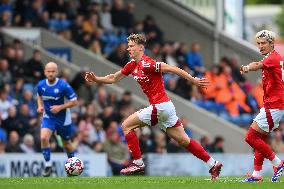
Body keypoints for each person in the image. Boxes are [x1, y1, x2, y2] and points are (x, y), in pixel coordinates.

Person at [84, 33, 222, 180]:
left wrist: (192, 79)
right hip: (165, 108)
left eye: (131, 46)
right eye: (128, 46)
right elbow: (113, 78)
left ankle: (137, 163)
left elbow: (172, 68)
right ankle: (212, 164)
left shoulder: (147, 63)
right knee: (183, 140)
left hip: (161, 106)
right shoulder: (131, 65)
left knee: (126, 126)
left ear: (141, 48)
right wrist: (96, 79)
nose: (128, 49)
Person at [239, 30, 284, 182]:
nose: (260, 46)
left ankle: (278, 163)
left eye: (263, 43)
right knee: (259, 139)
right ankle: (256, 175)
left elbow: (257, 65)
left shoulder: (272, 58)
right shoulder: (272, 58)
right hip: (272, 104)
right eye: (258, 43)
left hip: (274, 105)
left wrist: (246, 68)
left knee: (250, 137)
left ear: (272, 43)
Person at [37, 62, 78, 177]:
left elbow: (74, 101)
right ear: (45, 72)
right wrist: (40, 106)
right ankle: (48, 165)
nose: (50, 73)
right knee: (44, 137)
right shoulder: (41, 85)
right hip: (48, 117)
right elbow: (39, 95)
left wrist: (60, 107)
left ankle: (73, 166)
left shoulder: (63, 85)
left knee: (67, 144)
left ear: (56, 72)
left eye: (53, 71)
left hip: (63, 118)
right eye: (48, 71)